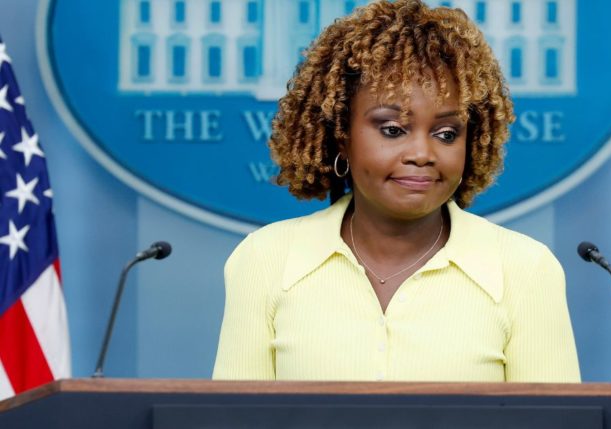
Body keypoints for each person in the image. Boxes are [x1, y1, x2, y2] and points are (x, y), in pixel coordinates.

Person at [213, 0, 580, 383]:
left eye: (446, 134)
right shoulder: (265, 260)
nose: (422, 154)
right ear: (341, 136)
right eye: (392, 130)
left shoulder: (525, 269)